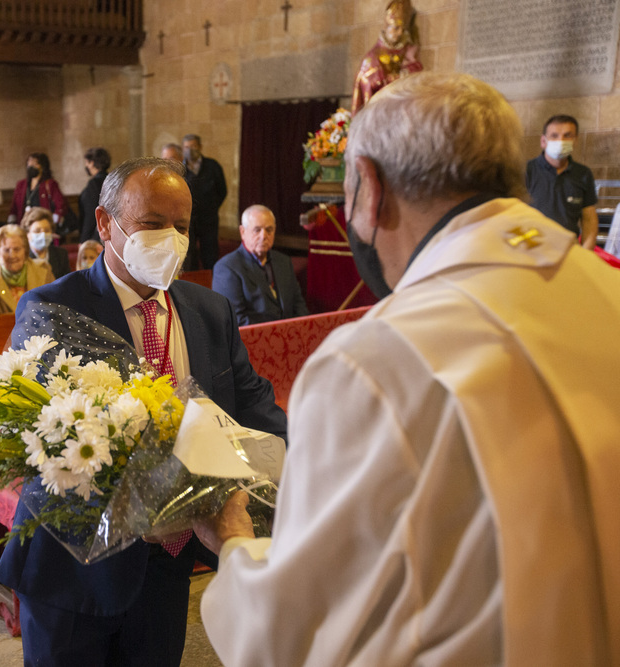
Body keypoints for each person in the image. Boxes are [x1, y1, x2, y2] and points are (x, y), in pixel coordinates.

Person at [195, 72, 620, 665]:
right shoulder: (607, 288)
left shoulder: (371, 361)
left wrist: (234, 541)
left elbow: (287, 633)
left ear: (369, 186)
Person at [0, 157, 287, 666]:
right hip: (75, 569)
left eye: (182, 226)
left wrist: (324, 460)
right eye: (153, 224)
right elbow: (48, 440)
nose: (171, 239)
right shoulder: (52, 309)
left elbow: (255, 405)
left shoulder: (209, 310)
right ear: (106, 224)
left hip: (168, 564)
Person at [212, 204, 308, 325]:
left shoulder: (283, 262)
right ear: (242, 232)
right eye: (257, 230)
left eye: (269, 230)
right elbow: (235, 320)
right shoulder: (227, 268)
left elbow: (299, 306)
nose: (263, 236)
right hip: (253, 340)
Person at [525, 115, 599, 250]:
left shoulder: (583, 174)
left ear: (575, 140)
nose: (561, 141)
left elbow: (589, 218)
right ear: (543, 141)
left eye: (567, 135)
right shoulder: (526, 171)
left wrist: (586, 253)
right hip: (531, 251)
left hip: (569, 251)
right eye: (554, 136)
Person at [351, 0, 422, 113]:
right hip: (380, 111)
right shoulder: (373, 56)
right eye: (396, 28)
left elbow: (418, 79)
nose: (399, 33)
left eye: (402, 29)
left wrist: (411, 61)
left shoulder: (406, 50)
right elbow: (369, 83)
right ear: (386, 28)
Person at [0, 224, 53, 317]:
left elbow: (56, 308)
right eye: (6, 250)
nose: (12, 255)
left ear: (25, 250)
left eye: (17, 249)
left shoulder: (43, 269)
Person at [182, 134, 227, 270]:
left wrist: (211, 207)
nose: (190, 150)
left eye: (193, 146)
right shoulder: (180, 169)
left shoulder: (213, 166)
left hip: (209, 219)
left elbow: (222, 191)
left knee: (210, 254)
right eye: (186, 147)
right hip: (188, 220)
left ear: (200, 147)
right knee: (189, 256)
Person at [7, 153, 67, 227]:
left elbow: (60, 205)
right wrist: (11, 224)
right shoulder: (21, 185)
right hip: (24, 224)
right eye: (29, 162)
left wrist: (53, 223)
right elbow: (14, 207)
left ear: (42, 166)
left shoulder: (49, 184)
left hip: (42, 224)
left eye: (35, 163)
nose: (30, 165)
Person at [22, 207, 69, 279]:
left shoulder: (61, 254)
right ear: (27, 234)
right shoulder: (22, 256)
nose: (43, 234)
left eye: (47, 230)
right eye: (37, 231)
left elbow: (67, 282)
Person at [79, 147, 110, 243]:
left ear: (92, 163)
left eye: (87, 163)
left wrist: (84, 239)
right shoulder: (111, 180)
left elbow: (91, 214)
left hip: (96, 235)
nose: (86, 166)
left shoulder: (94, 184)